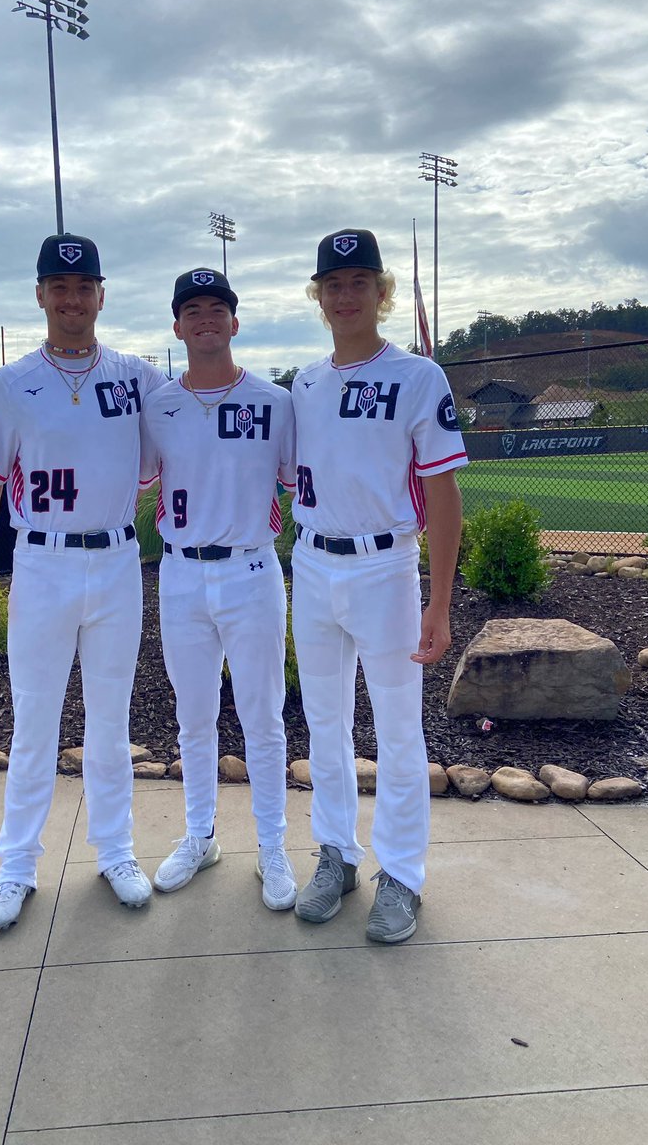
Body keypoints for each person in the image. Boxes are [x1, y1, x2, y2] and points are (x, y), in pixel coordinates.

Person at [0, 232, 168, 932]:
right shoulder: (12, 381)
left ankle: (115, 853)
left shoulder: (137, 377)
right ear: (42, 295)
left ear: (101, 295)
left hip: (115, 562)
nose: (72, 299)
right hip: (43, 561)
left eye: (84, 287)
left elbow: (176, 445)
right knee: (33, 723)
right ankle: (16, 866)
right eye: (60, 287)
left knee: (110, 726)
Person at [291, 229, 468, 942]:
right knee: (324, 723)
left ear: (380, 292)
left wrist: (441, 600)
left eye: (359, 281)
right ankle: (337, 854)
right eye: (332, 284)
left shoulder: (419, 376)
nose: (344, 295)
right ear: (319, 296)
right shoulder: (303, 381)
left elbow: (445, 493)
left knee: (398, 729)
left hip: (384, 564)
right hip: (310, 562)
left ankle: (402, 873)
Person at [139, 268, 298, 910]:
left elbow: (295, 481)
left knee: (263, 718)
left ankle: (273, 849)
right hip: (179, 573)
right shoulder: (158, 406)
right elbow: (143, 479)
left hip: (252, 569)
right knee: (193, 719)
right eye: (192, 310)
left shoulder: (275, 402)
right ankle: (200, 836)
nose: (206, 319)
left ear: (235, 322)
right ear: (177, 327)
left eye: (218, 308)